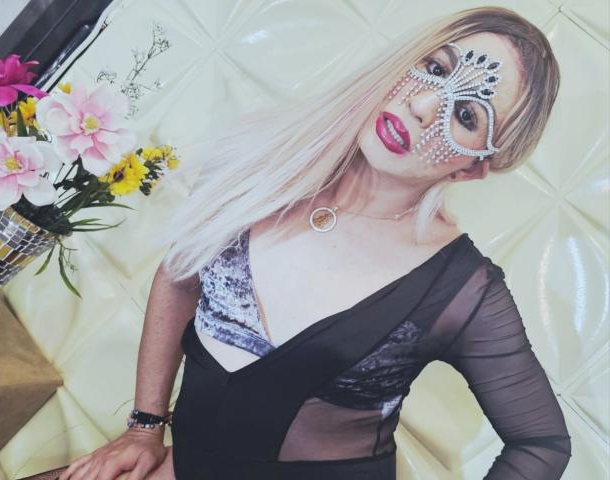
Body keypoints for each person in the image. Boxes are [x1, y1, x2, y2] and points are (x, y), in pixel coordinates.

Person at [59, 5, 572, 480]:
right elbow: (180, 276)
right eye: (435, 68)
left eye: (466, 116)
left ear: (473, 168)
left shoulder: (461, 290)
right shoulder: (255, 162)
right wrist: (144, 428)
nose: (421, 105)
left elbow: (542, 444)